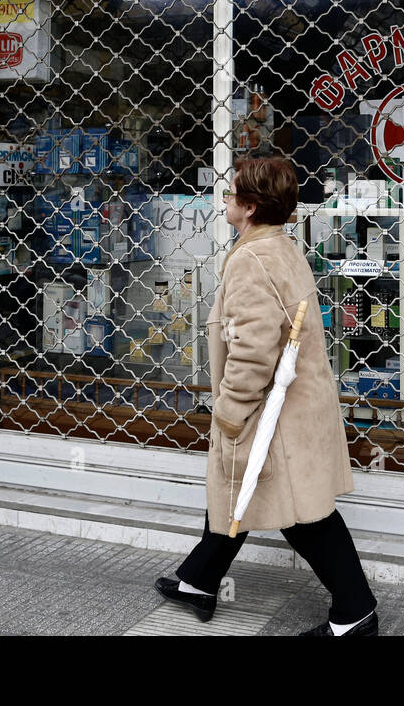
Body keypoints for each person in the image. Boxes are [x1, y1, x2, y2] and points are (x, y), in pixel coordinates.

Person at [154, 155, 379, 636]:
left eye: (233, 194)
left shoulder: (253, 260)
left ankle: (356, 613)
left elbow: (253, 350)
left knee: (303, 517)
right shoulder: (278, 246)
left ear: (251, 207)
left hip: (274, 413)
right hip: (295, 405)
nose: (226, 200)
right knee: (241, 488)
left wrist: (230, 411)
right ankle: (199, 579)